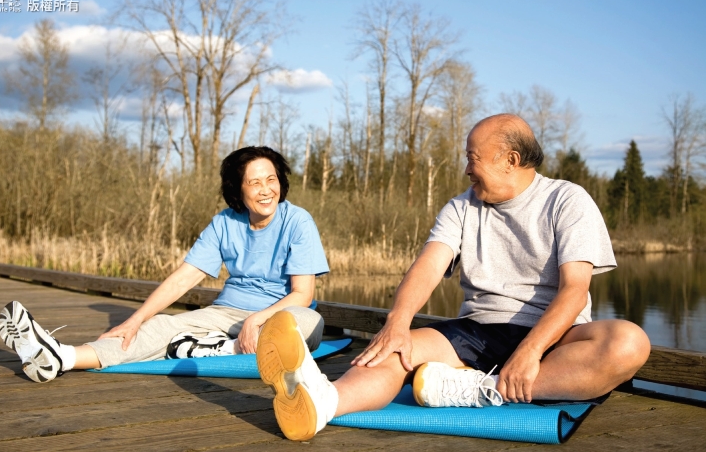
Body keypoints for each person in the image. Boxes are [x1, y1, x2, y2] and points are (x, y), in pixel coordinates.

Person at [255, 114, 651, 441]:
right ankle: (323, 401)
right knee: (394, 350)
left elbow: (575, 292)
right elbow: (427, 266)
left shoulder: (568, 200)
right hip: (477, 329)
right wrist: (397, 324)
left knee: (628, 343)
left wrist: (529, 352)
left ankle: (476, 389)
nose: (466, 168)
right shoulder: (462, 206)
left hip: (553, 337)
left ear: (510, 160)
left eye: (472, 157)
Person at [0, 146, 329, 383]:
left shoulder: (297, 221)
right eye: (255, 182)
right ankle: (61, 357)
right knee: (156, 329)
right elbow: (182, 279)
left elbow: (302, 294)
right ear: (237, 190)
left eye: (271, 179)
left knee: (302, 326)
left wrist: (256, 320)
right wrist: (136, 319)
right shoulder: (225, 222)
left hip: (282, 314)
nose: (266, 189)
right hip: (227, 313)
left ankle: (216, 347)